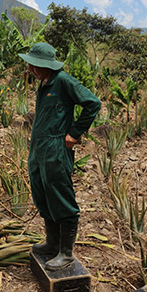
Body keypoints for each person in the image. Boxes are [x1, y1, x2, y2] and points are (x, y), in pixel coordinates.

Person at [18, 42, 101, 271]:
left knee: (61, 197)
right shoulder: (43, 83)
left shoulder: (63, 81)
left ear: (47, 65)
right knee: (43, 194)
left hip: (55, 148)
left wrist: (74, 132)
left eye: (35, 66)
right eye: (30, 65)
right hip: (39, 149)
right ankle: (52, 243)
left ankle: (66, 253)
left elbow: (92, 103)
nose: (31, 69)